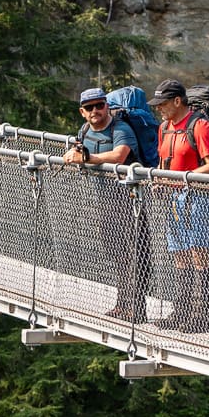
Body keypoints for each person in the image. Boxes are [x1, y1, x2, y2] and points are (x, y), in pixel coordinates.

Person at [64, 88, 148, 320]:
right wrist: (74, 153)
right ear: (82, 112)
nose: (95, 111)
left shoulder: (121, 129)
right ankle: (123, 304)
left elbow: (120, 155)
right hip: (105, 201)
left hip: (130, 201)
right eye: (89, 108)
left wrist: (89, 159)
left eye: (99, 105)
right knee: (117, 253)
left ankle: (136, 309)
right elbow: (80, 148)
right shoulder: (85, 130)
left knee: (134, 255)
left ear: (107, 106)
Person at [150, 77, 209, 333]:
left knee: (198, 253)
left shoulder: (199, 126)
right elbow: (164, 162)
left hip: (199, 198)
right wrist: (161, 179)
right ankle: (181, 312)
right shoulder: (165, 128)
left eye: (163, 103)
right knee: (180, 253)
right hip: (172, 198)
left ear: (177, 101)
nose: (159, 108)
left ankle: (201, 315)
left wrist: (183, 180)